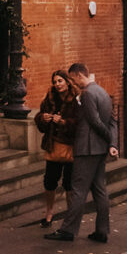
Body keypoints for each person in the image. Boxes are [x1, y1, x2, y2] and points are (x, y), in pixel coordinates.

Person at [45, 62, 119, 243]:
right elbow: (112, 121)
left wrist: (109, 138)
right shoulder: (103, 92)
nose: (73, 83)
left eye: (72, 79)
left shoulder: (87, 94)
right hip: (100, 149)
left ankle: (68, 230)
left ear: (79, 75)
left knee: (78, 190)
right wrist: (111, 142)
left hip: (87, 149)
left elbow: (94, 122)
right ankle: (102, 231)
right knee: (100, 189)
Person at [34, 69, 79, 227]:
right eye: (55, 81)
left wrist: (64, 123)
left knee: (69, 183)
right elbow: (39, 117)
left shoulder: (76, 99)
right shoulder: (50, 97)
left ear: (67, 81)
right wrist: (43, 118)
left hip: (70, 146)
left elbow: (80, 123)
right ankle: (49, 212)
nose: (57, 84)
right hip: (53, 145)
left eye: (60, 81)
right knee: (49, 181)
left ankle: (70, 214)